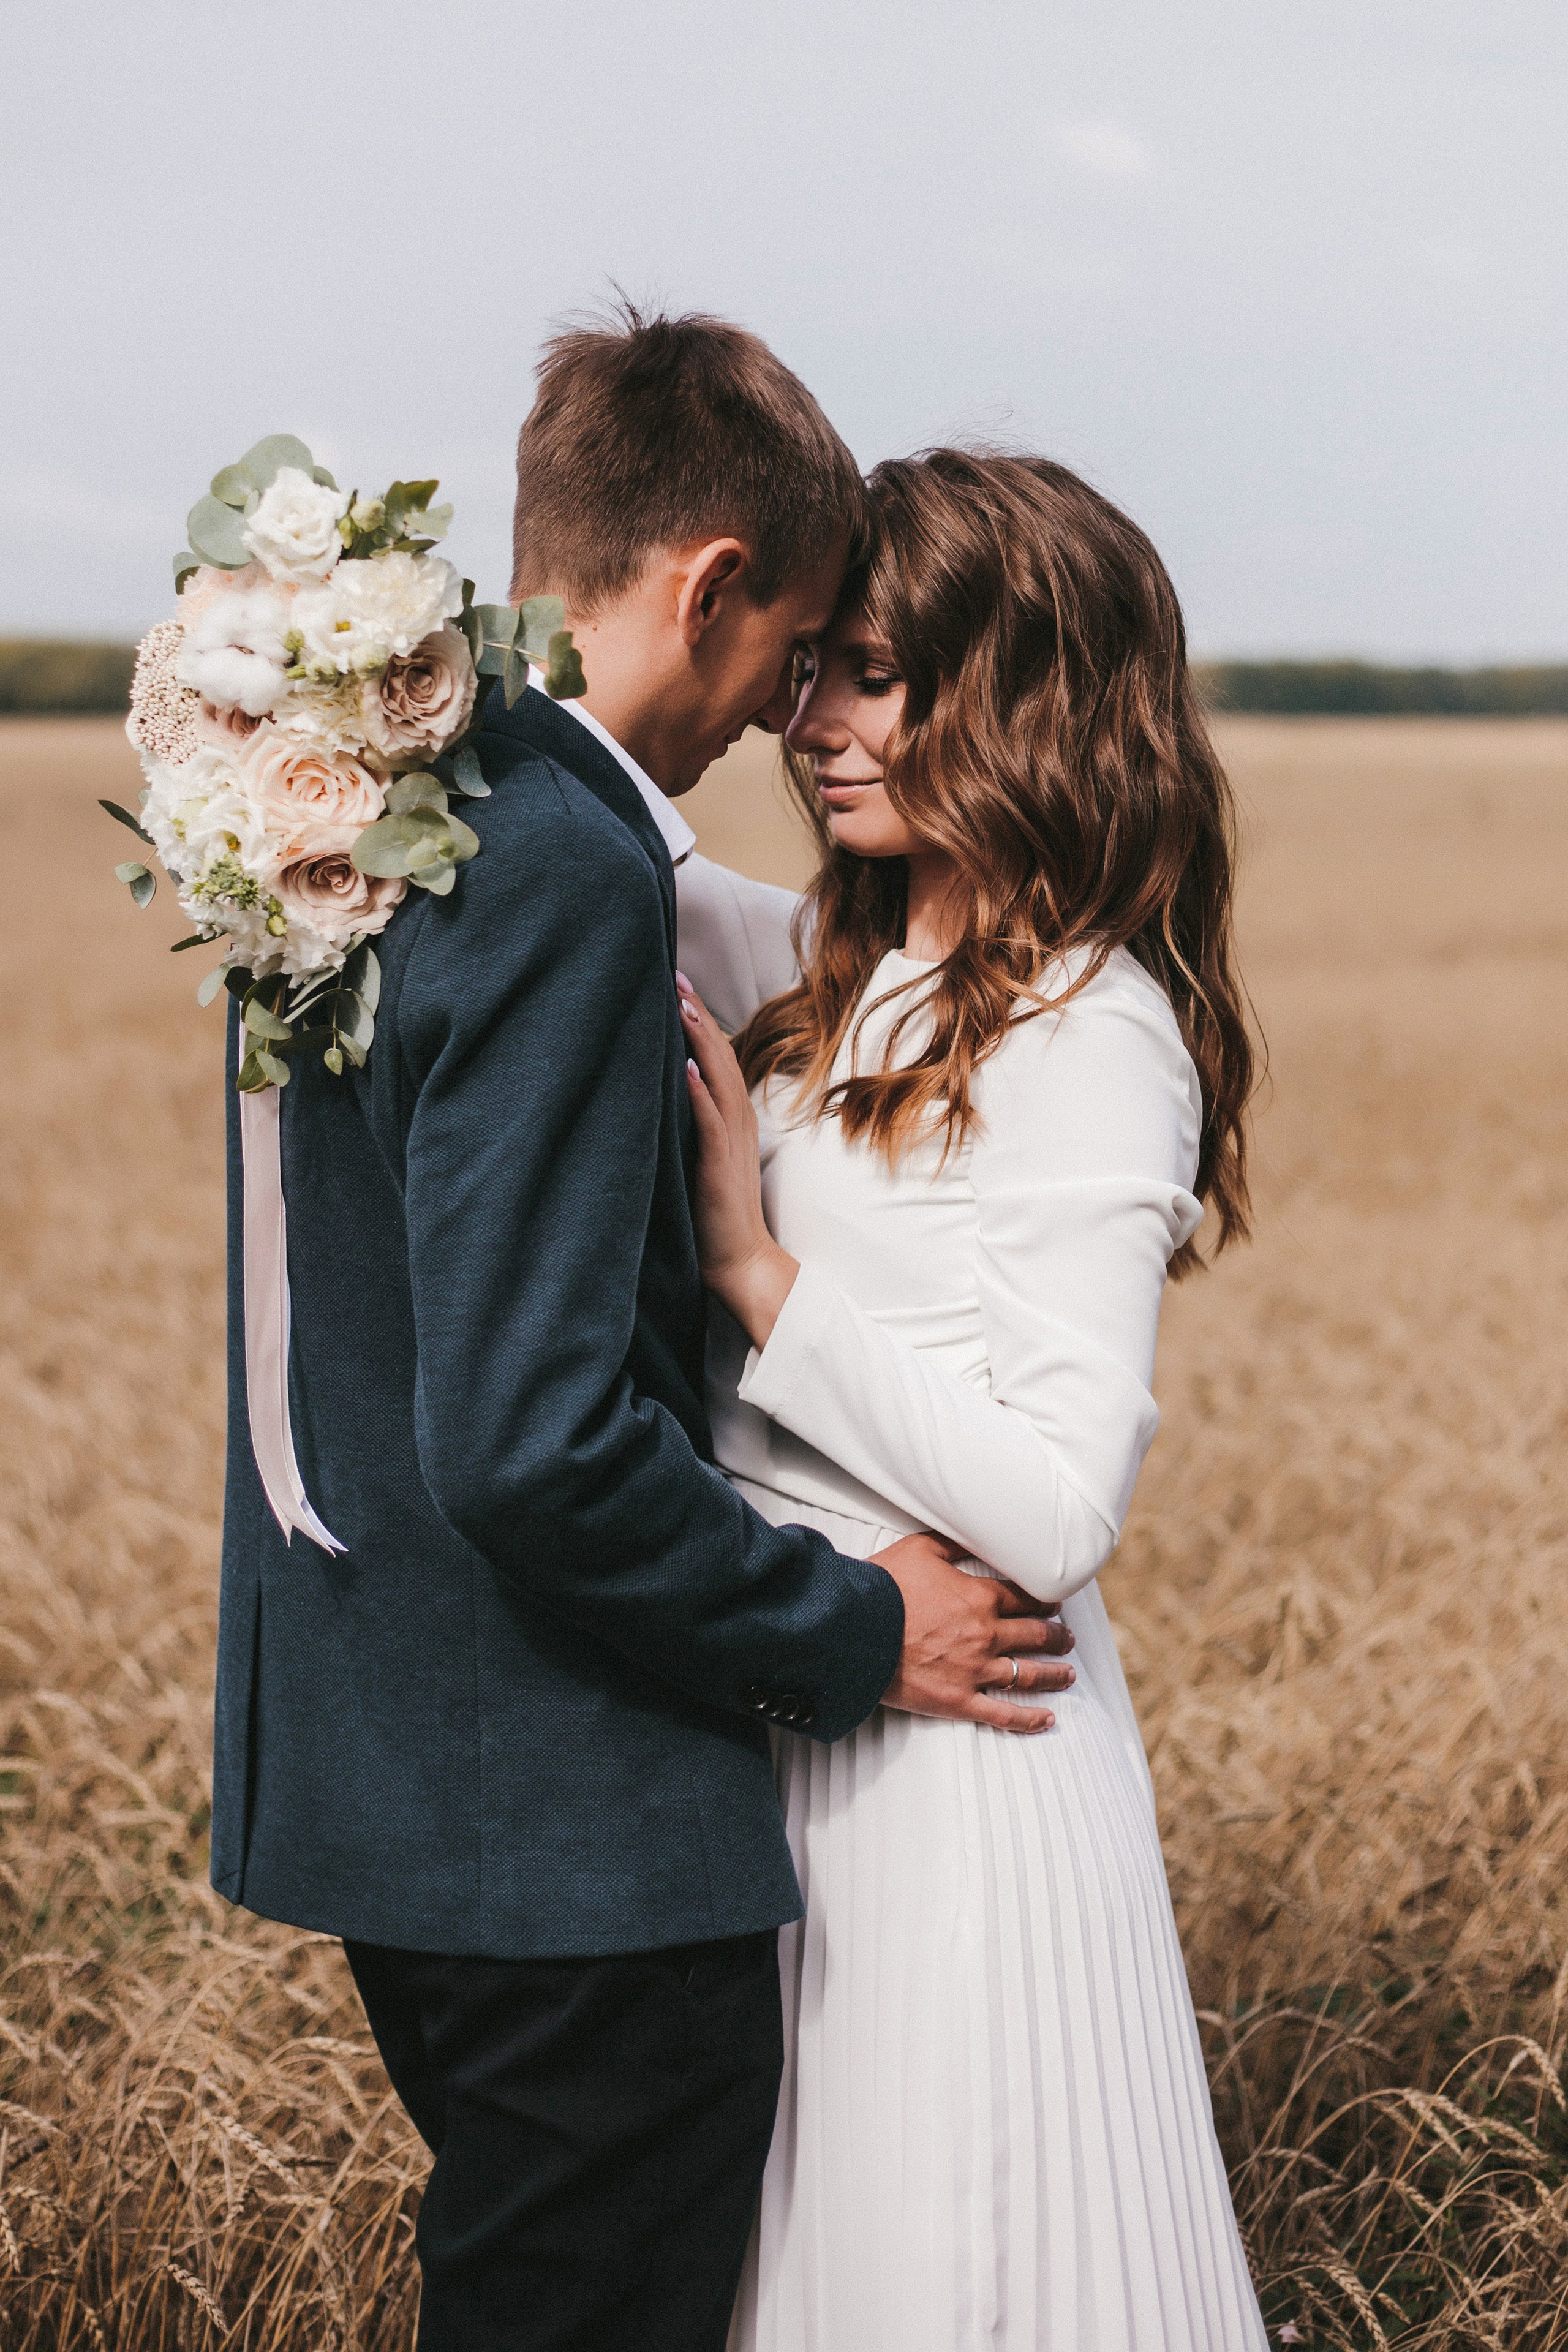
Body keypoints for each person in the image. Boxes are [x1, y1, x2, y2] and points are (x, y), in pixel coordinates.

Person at [210, 316, 1074, 2351]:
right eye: (798, 641)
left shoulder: (362, 787)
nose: (796, 700)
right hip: (564, 1832)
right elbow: (527, 1440)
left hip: (383, 1762)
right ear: (706, 584)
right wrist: (861, 1628)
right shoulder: (565, 866)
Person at [675, 448, 1270, 2350]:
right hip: (817, 1727)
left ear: (1019, 697)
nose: (811, 719)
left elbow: (1057, 1503)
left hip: (966, 1780)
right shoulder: (836, 972)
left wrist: (766, 1279)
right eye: (811, 667)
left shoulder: (1094, 1029)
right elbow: (620, 838)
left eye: (871, 674)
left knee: (956, 2267)